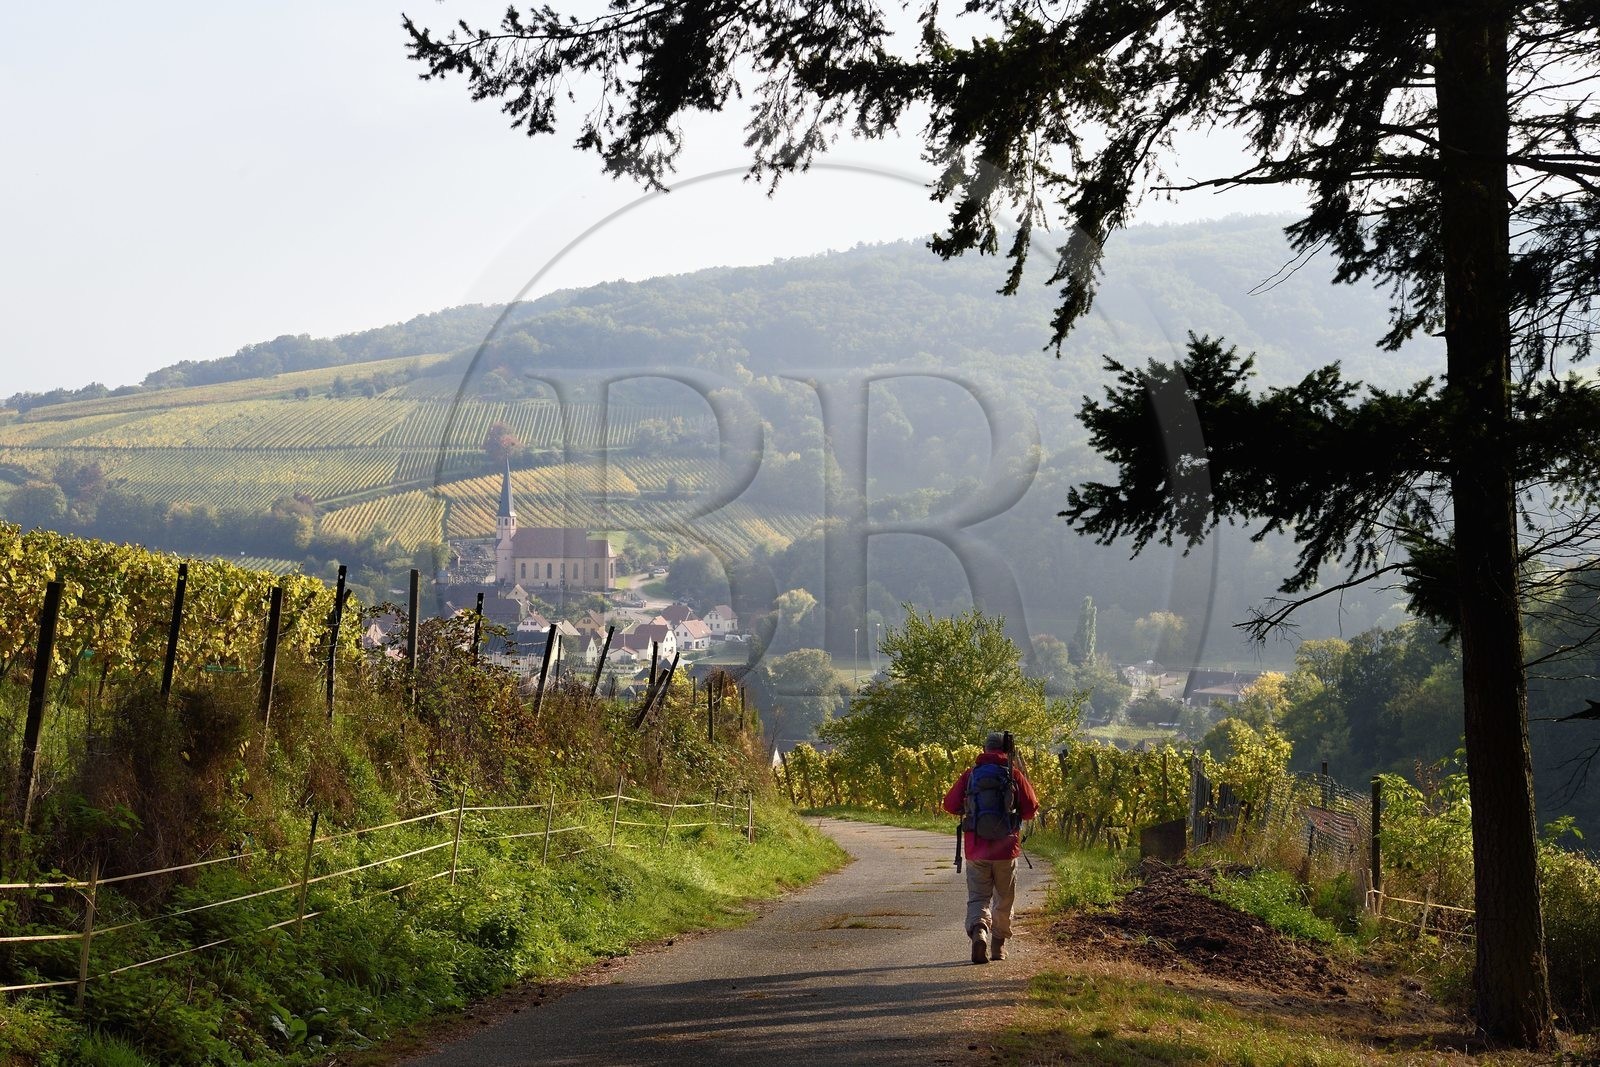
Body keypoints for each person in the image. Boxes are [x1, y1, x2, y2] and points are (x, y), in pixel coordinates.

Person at [942, 731, 1039, 964]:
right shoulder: (1013, 774)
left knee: (978, 897)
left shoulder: (971, 774)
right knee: (1004, 898)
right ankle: (998, 946)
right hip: (1006, 849)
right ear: (1006, 750)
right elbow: (1031, 808)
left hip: (976, 848)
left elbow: (949, 804)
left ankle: (979, 931)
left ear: (984, 749)